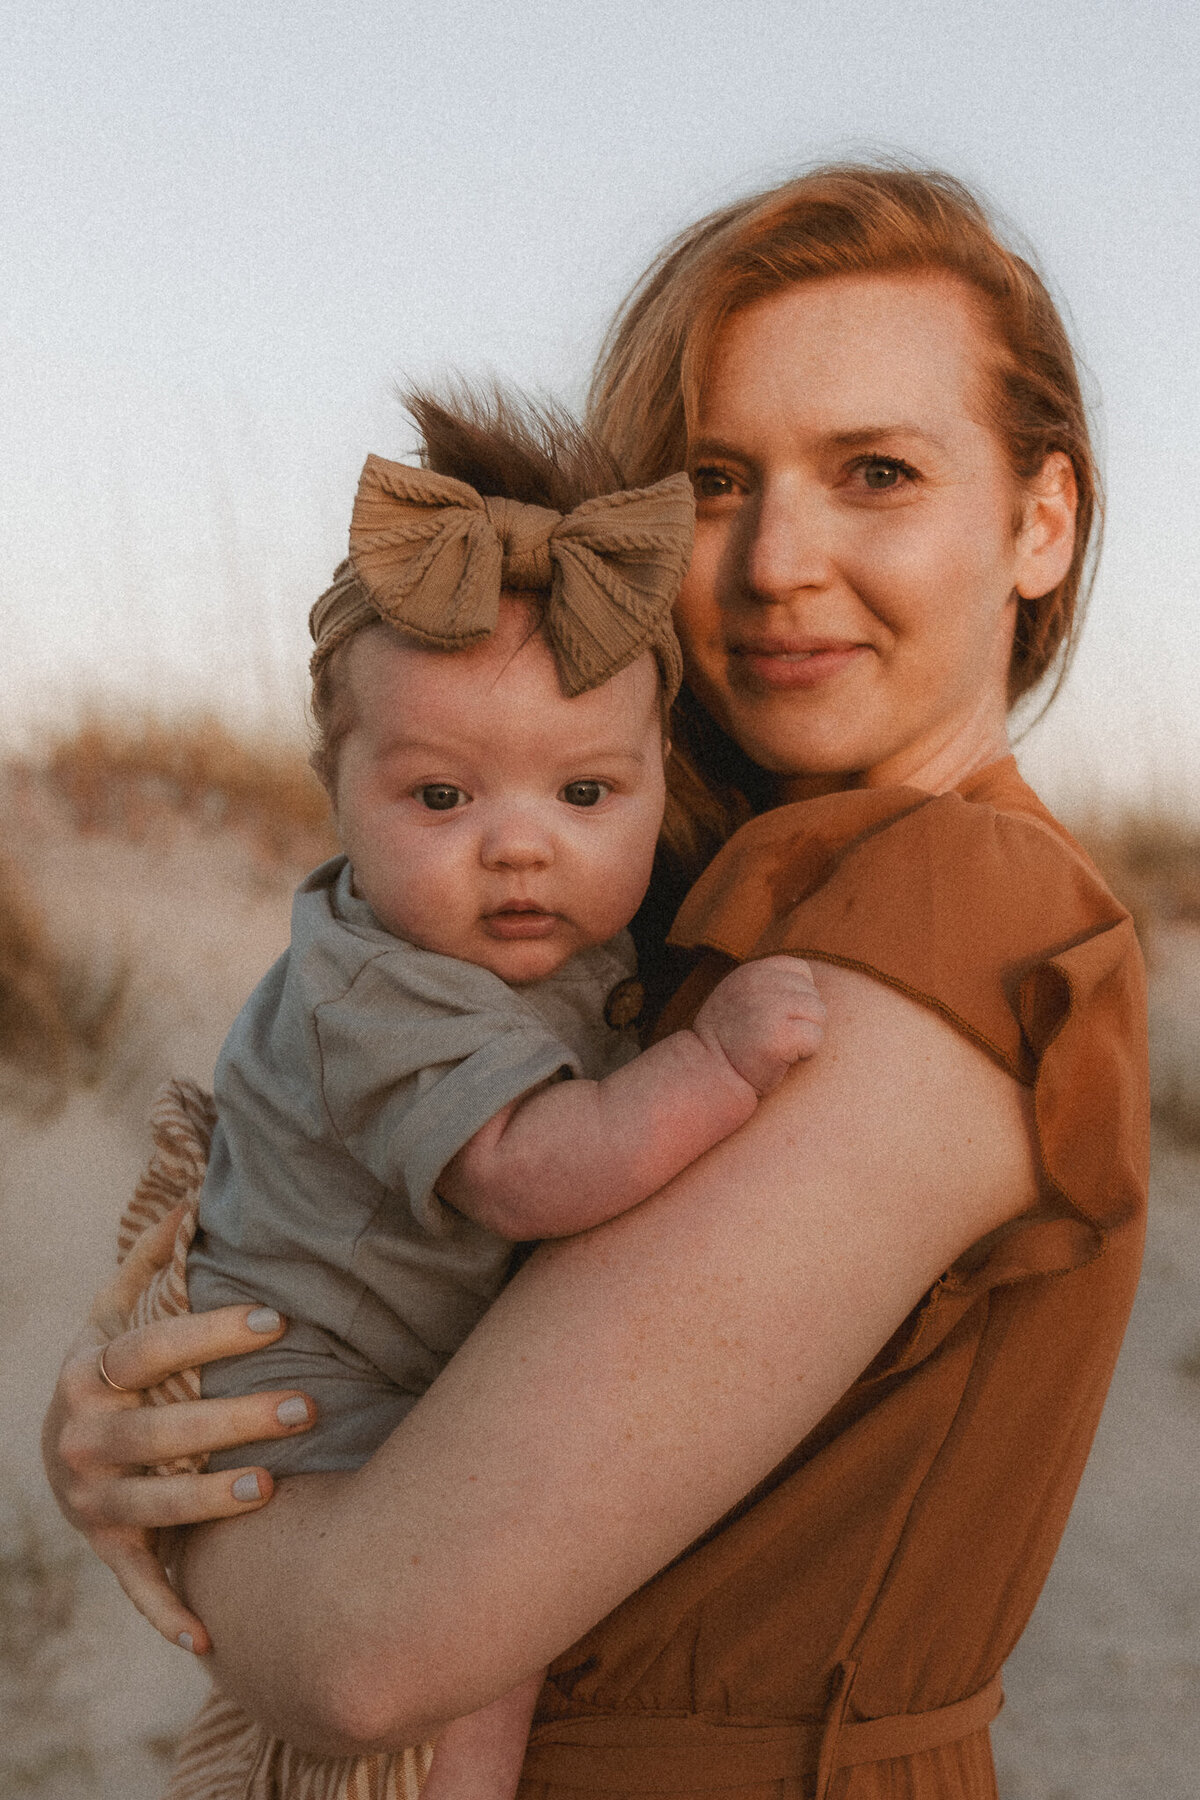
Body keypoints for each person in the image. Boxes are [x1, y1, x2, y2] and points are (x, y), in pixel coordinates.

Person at [43, 164, 1148, 1800]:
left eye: (878, 472)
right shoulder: (660, 916)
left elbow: (374, 1651)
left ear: (1037, 523)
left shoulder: (954, 907)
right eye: (713, 477)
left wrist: (188, 1518)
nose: (777, 559)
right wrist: (130, 1435)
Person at [111, 400, 827, 1798]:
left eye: (583, 791)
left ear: (652, 783)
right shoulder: (377, 991)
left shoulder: (542, 945)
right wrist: (715, 1065)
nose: (519, 847)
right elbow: (525, 1170)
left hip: (390, 1359)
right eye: (441, 797)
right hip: (311, 1390)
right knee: (475, 1637)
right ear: (337, 794)